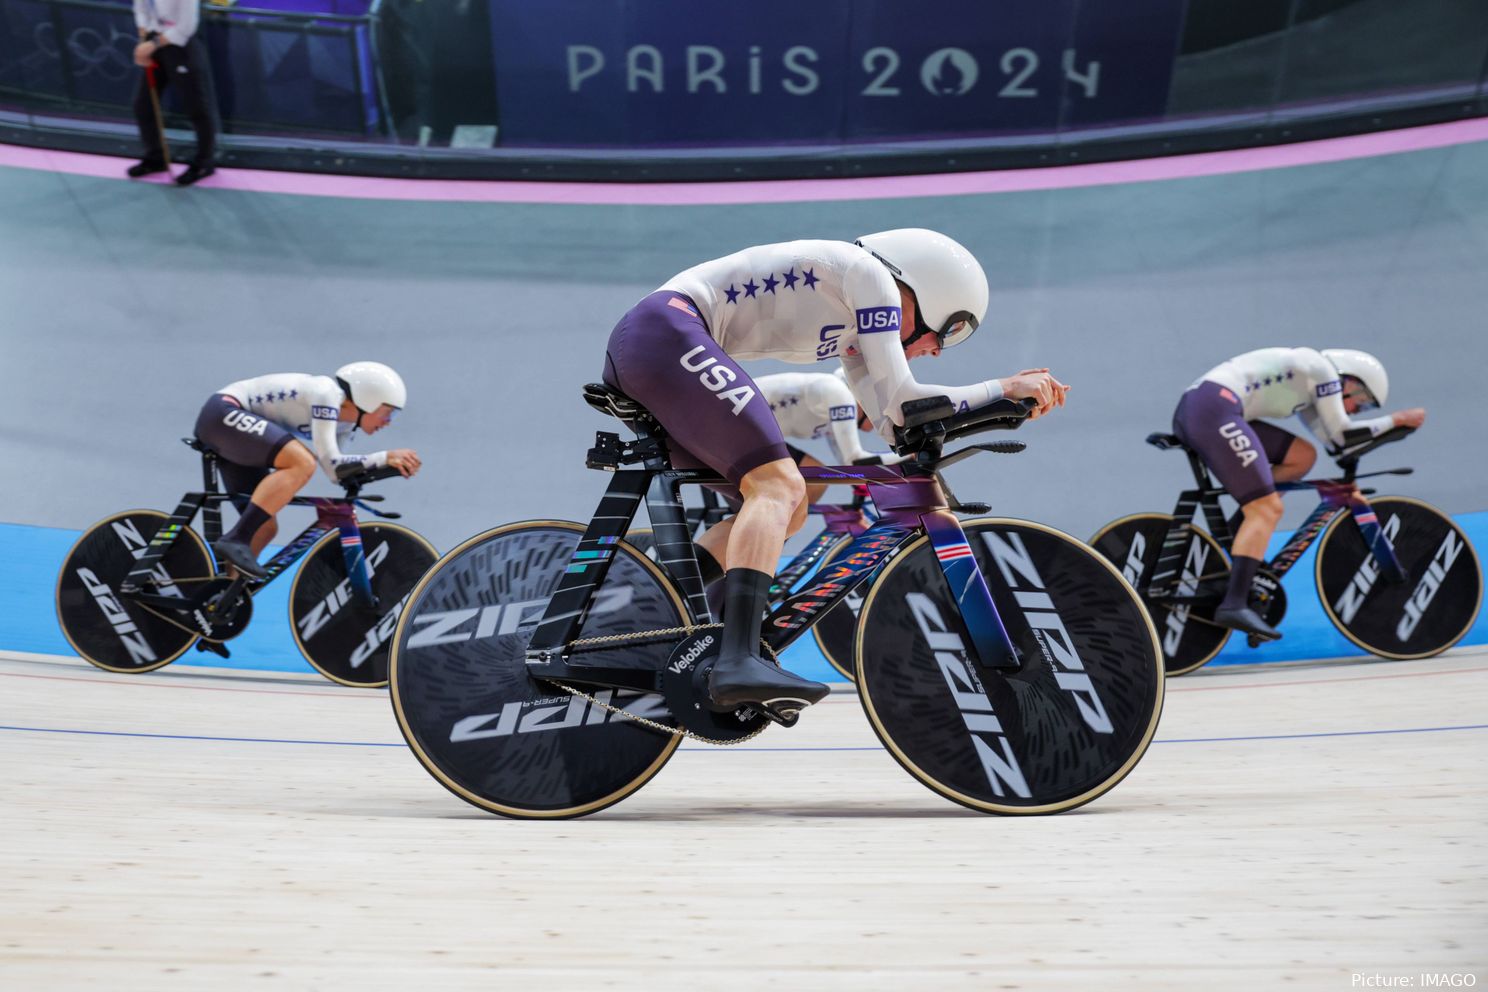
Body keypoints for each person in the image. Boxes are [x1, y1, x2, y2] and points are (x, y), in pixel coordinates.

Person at [601, 229, 1069, 717]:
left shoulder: (851, 337)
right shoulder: (870, 278)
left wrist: (997, 409)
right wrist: (1003, 386)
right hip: (665, 332)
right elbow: (908, 400)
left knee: (794, 505)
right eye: (948, 331)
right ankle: (738, 659)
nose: (937, 350)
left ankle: (657, 614)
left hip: (655, 346)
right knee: (778, 485)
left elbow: (896, 420)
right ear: (926, 289)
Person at [1172, 347, 1426, 641]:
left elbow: (1336, 445)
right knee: (1267, 509)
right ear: (1350, 381)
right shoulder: (1321, 371)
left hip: (1210, 407)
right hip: (1212, 409)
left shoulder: (1309, 387)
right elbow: (1344, 433)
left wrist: (1384, 433)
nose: (1357, 410)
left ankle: (1239, 534)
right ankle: (1235, 603)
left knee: (1302, 457)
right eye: (1363, 401)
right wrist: (1396, 420)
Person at [193, 362, 421, 578]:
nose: (389, 422)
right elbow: (330, 462)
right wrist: (384, 456)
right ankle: (236, 538)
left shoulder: (346, 425)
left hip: (236, 433)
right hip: (223, 412)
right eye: (388, 413)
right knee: (302, 462)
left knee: (263, 529)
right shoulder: (326, 393)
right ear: (368, 400)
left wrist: (385, 467)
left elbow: (336, 472)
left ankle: (221, 599)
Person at [129, 0, 217, 186]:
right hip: (154, 43)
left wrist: (152, 44)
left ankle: (204, 162)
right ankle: (156, 158)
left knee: (197, 108)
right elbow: (141, 9)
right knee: (143, 106)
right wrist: (144, 39)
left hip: (180, 48)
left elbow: (186, 27)